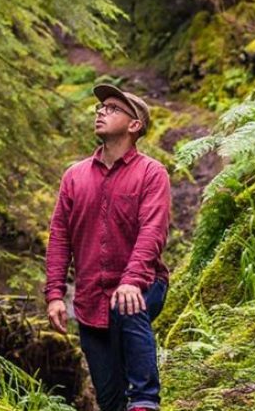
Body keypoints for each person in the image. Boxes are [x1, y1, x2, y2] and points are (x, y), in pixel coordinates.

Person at [43, 84, 172, 411]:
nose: (101, 111)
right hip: (88, 299)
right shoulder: (74, 176)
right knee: (110, 399)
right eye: (100, 107)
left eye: (113, 108)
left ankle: (145, 399)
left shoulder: (151, 173)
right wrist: (56, 294)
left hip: (144, 285)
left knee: (124, 303)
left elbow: (152, 232)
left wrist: (130, 280)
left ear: (134, 125)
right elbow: (60, 236)